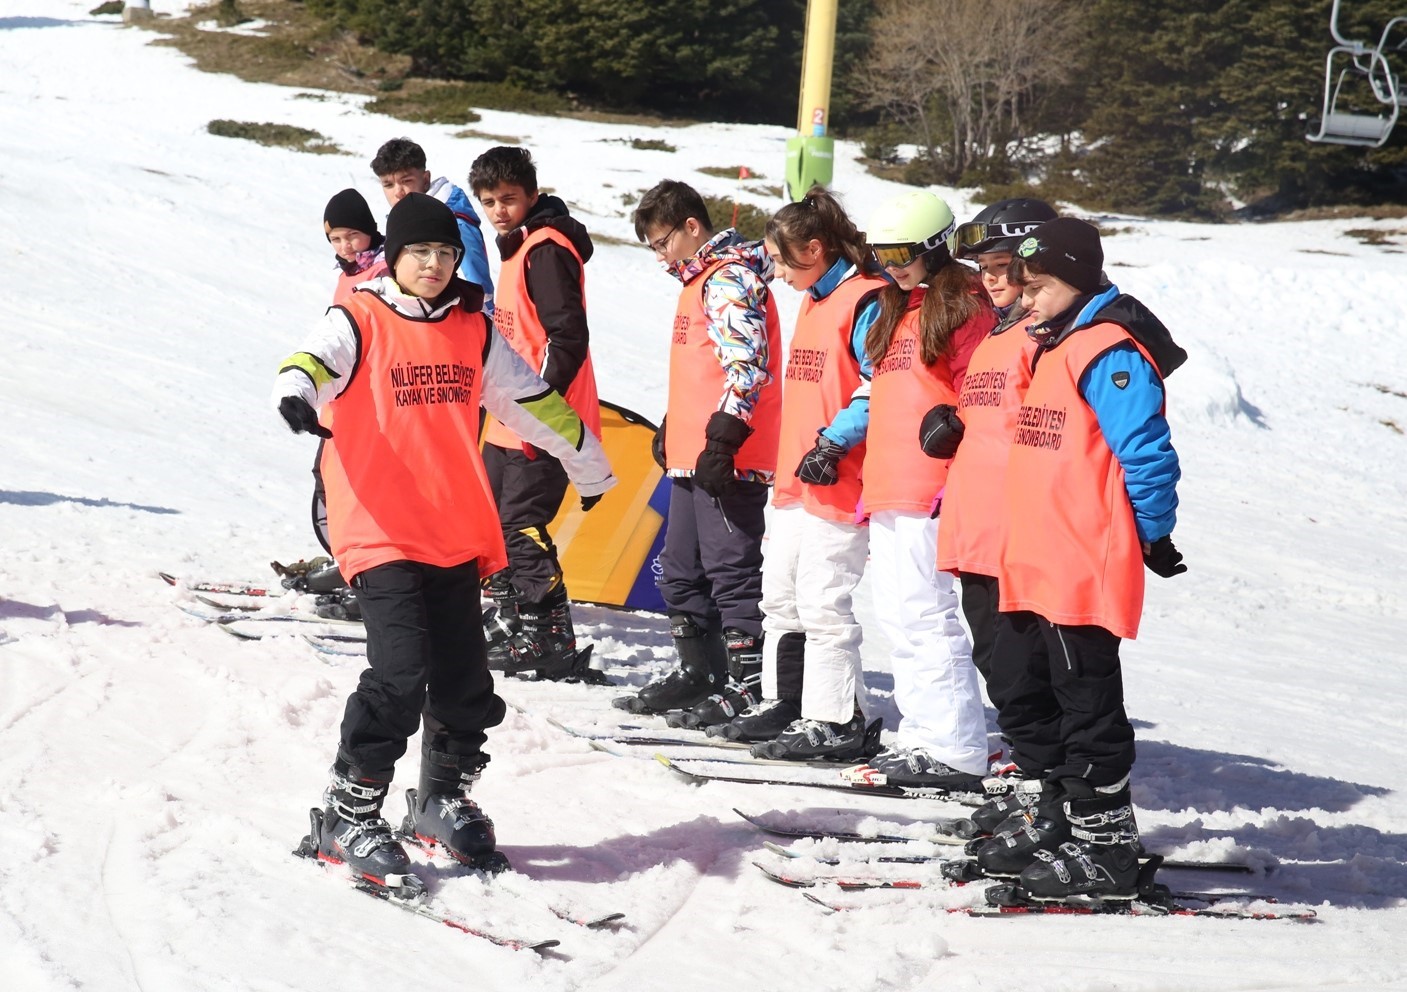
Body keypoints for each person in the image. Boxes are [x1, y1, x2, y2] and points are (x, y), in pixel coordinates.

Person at [272, 192, 615, 885]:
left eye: (445, 253)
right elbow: (315, 358)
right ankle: (350, 809)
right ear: (394, 256)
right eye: (420, 252)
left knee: (464, 679)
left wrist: (589, 463)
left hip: (453, 526)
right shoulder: (360, 315)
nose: (433, 264)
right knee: (399, 674)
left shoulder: (471, 329)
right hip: (378, 527)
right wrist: (295, 393)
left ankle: (439, 799)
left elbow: (529, 400)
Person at [958, 217, 1188, 900]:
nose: (1022, 298)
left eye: (1038, 285)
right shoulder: (1051, 343)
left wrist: (1152, 533)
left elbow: (1144, 451)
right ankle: (1063, 821)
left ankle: (1107, 850)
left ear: (1078, 280)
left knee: (1088, 708)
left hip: (1079, 561)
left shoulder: (1107, 350)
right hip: (1035, 557)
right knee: (1036, 695)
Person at [715, 186, 889, 762]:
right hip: (794, 480)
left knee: (824, 605)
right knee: (781, 600)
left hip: (838, 478)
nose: (778, 275)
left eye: (782, 260)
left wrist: (834, 443)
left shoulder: (865, 298)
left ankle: (837, 719)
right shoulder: (814, 298)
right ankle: (787, 702)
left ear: (813, 249)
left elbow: (878, 385)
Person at [613, 180, 780, 724]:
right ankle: (700, 673)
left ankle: (750, 682)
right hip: (690, 453)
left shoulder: (729, 278)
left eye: (663, 242)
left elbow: (746, 366)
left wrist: (724, 437)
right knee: (679, 571)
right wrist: (672, 425)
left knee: (730, 569)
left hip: (725, 456)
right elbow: (700, 369)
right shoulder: (698, 280)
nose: (660, 257)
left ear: (691, 227)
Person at [853, 189, 997, 788]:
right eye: (881, 252)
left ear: (936, 246)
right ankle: (923, 734)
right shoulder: (899, 307)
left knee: (925, 615)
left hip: (930, 487)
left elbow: (986, 392)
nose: (890, 263)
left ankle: (957, 748)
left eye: (901, 252)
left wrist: (959, 430)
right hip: (889, 483)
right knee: (897, 616)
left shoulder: (965, 306)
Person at [468, 146, 601, 680]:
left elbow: (566, 338)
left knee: (522, 525)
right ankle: (514, 618)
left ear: (532, 194)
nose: (499, 210)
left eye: (509, 199)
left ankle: (549, 634)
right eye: (489, 201)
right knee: (494, 523)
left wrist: (540, 407)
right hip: (508, 413)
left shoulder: (545, 249)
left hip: (542, 417)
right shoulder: (516, 247)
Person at [371, 137, 495, 314]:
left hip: (451, 324)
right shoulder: (403, 221)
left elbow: (479, 290)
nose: (398, 192)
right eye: (388, 185)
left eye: (406, 181)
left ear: (426, 178)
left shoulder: (454, 224)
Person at [324, 187, 388, 305]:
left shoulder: (386, 270)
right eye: (336, 239)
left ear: (369, 231)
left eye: (352, 235)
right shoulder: (346, 274)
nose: (345, 246)